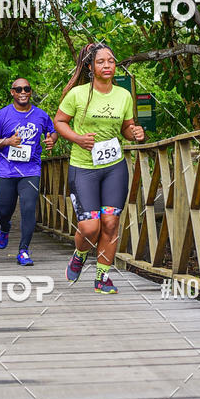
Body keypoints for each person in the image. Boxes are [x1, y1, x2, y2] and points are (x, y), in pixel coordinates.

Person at [54, 42, 145, 294]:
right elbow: (59, 121)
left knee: (111, 223)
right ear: (91, 67)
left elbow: (126, 128)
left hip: (114, 167)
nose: (107, 65)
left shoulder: (123, 95)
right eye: (101, 62)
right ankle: (80, 253)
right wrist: (76, 138)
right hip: (83, 167)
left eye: (111, 61)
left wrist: (135, 132)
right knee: (90, 227)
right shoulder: (78, 94)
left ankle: (102, 277)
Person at [0, 78, 57, 265]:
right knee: (4, 211)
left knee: (28, 209)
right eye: (18, 89)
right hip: (7, 170)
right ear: (12, 92)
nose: (23, 92)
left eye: (26, 88)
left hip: (30, 169)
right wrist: (8, 142)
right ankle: (4, 227)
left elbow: (51, 132)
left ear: (31, 91)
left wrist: (52, 140)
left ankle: (23, 250)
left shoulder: (41, 115)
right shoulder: (2, 116)